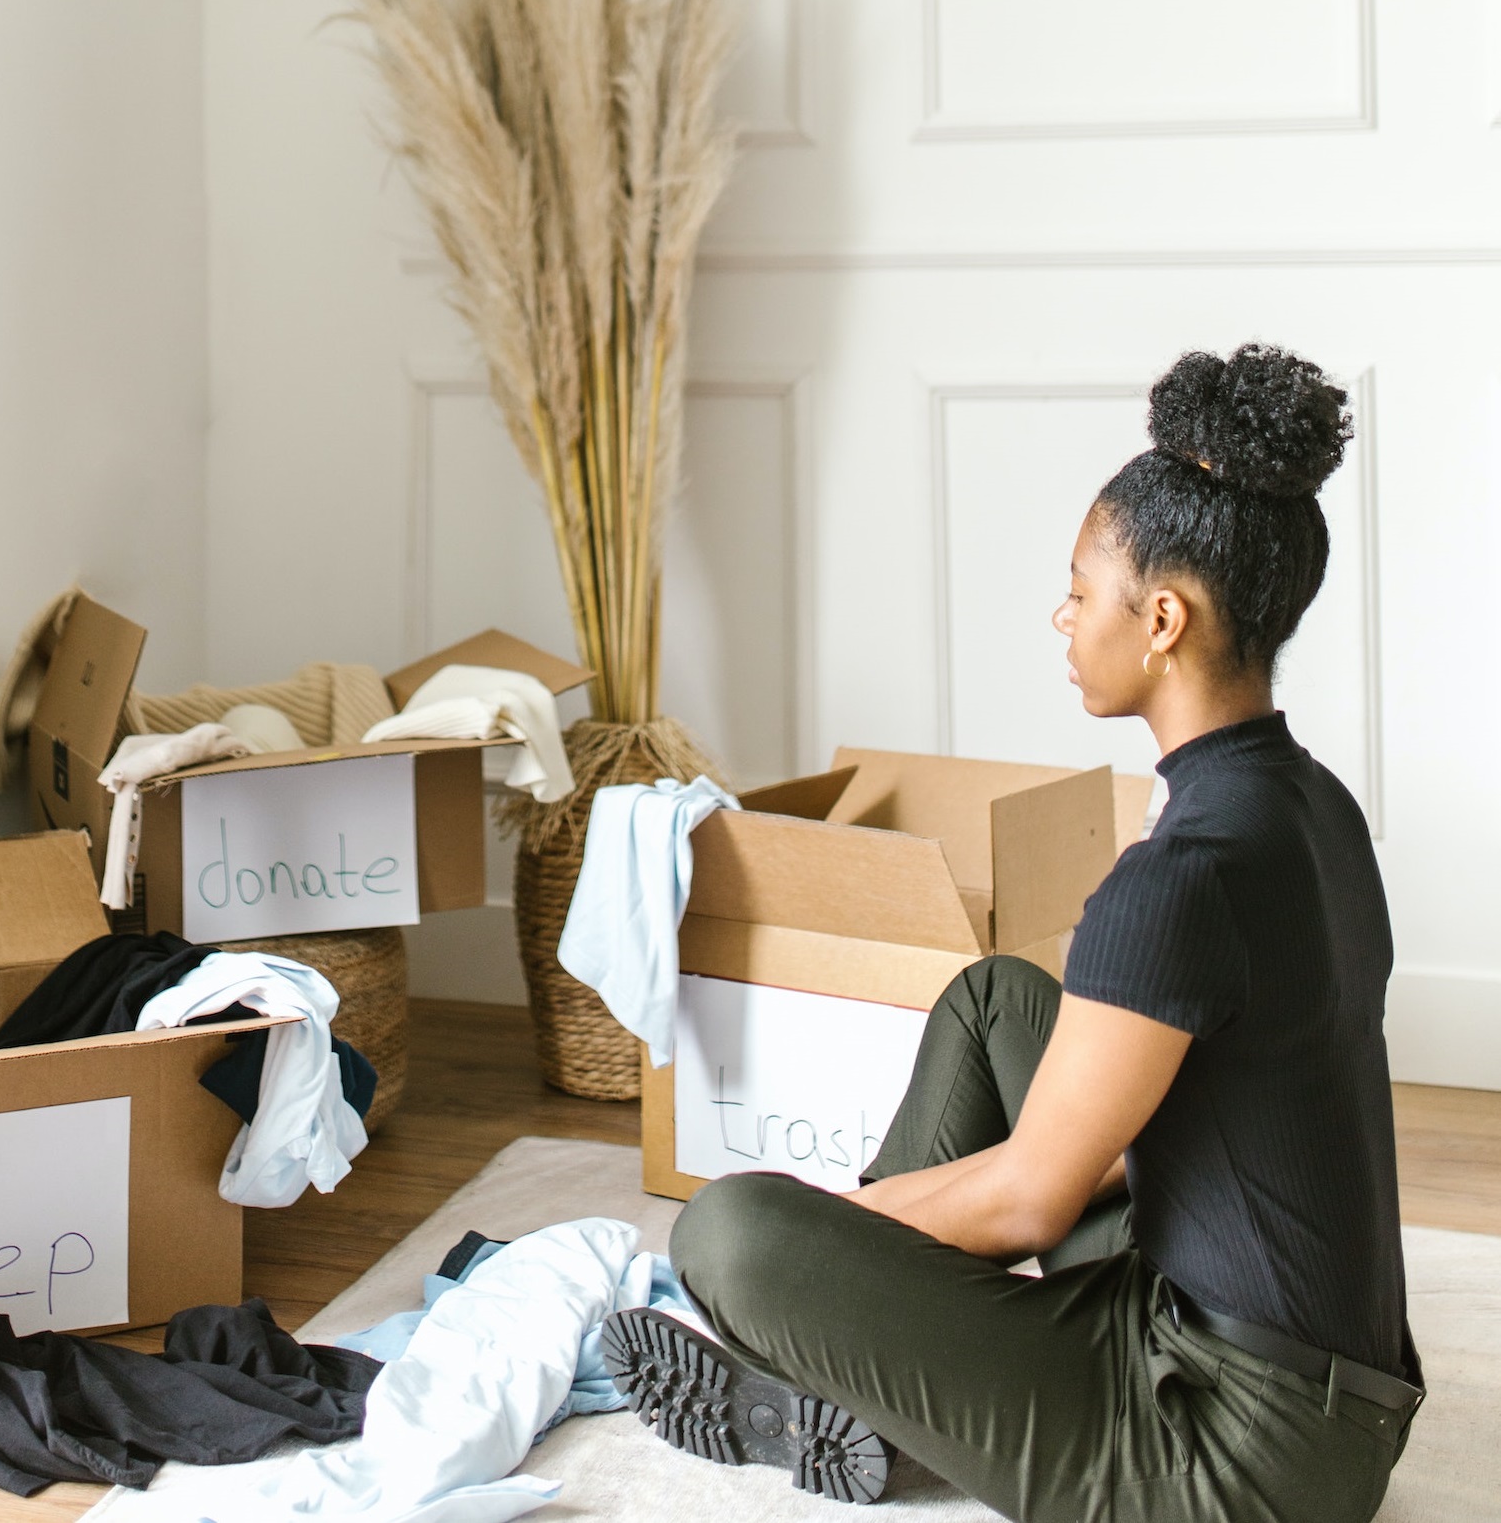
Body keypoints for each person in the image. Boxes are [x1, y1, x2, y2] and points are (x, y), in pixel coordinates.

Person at [603, 345, 1424, 1521]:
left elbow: (1033, 1202)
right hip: (1315, 1385)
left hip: (1240, 1460)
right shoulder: (1311, 805)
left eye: (1080, 591)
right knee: (996, 999)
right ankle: (868, 1370)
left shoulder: (1180, 874)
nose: (1062, 614)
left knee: (731, 1232)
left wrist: (825, 1243)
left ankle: (845, 1361)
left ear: (1160, 619)